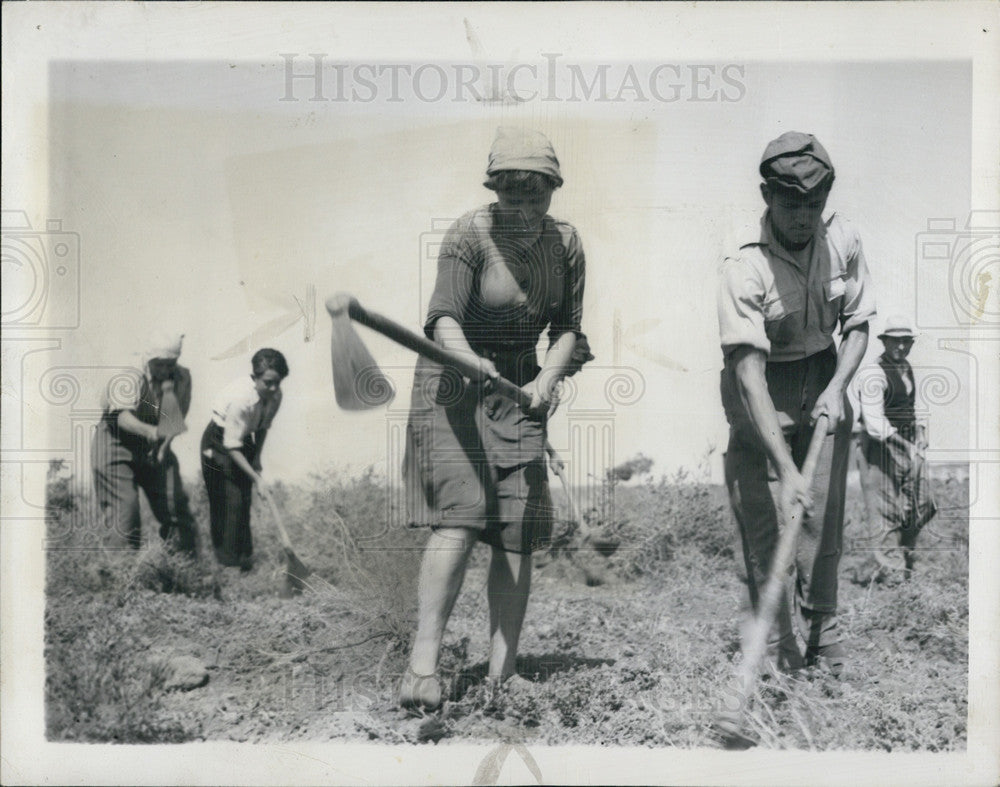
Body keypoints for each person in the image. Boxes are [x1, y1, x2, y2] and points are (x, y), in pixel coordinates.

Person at [399, 128, 591, 711]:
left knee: (515, 534)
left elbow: (568, 331)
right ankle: (421, 671)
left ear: (554, 192)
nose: (527, 212)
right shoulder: (469, 234)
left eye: (538, 198)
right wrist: (472, 362)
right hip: (454, 386)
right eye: (514, 199)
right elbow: (441, 321)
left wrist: (544, 382)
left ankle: (501, 678)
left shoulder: (567, 244)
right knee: (459, 518)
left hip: (519, 389)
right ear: (496, 192)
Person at [716, 131, 876, 676]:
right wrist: (784, 469)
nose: (804, 216)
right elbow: (746, 370)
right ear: (767, 197)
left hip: (825, 377)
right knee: (764, 521)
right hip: (761, 388)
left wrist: (838, 387)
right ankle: (777, 641)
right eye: (791, 204)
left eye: (815, 204)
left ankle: (822, 632)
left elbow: (857, 324)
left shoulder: (844, 239)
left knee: (822, 520)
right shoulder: (744, 260)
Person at [92, 331, 197, 553]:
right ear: (149, 358)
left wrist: (163, 447)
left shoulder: (182, 378)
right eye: (160, 364)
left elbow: (175, 420)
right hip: (115, 441)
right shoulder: (129, 374)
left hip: (155, 445)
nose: (166, 370)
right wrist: (149, 432)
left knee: (176, 508)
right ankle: (123, 577)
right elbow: (121, 416)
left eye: (171, 364)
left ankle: (183, 572)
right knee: (126, 510)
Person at [854, 315, 936, 583]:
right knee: (884, 510)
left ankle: (904, 550)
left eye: (906, 341)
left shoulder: (906, 368)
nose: (901, 347)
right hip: (879, 447)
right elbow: (875, 422)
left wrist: (921, 435)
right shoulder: (873, 372)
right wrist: (905, 446)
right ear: (885, 342)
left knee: (924, 502)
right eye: (896, 341)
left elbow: (914, 407)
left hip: (908, 443)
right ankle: (893, 576)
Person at [200, 348, 288, 570]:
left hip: (243, 439)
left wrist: (257, 458)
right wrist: (257, 479)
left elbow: (263, 427)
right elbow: (231, 446)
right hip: (218, 442)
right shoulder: (242, 400)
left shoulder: (275, 395)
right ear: (255, 377)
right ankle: (227, 565)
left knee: (244, 501)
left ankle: (245, 562)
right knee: (231, 501)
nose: (273, 388)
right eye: (268, 382)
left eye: (277, 382)